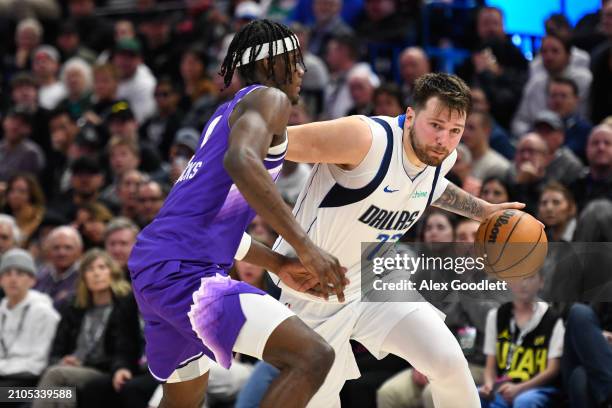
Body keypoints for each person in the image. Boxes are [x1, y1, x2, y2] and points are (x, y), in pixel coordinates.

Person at [254, 72, 524, 407]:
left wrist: (483, 211)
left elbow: (430, 186)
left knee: (448, 362)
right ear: (410, 116)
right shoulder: (364, 138)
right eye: (436, 125)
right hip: (307, 286)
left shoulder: (442, 156)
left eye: (455, 131)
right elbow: (265, 142)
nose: (444, 139)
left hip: (373, 280)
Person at [127, 20, 346, 408]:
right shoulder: (269, 98)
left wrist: (278, 262)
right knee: (313, 357)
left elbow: (210, 219)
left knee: (183, 400)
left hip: (154, 265)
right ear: (269, 64)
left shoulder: (225, 115)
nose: (301, 71)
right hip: (184, 271)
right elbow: (242, 161)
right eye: (294, 61)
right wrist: (305, 246)